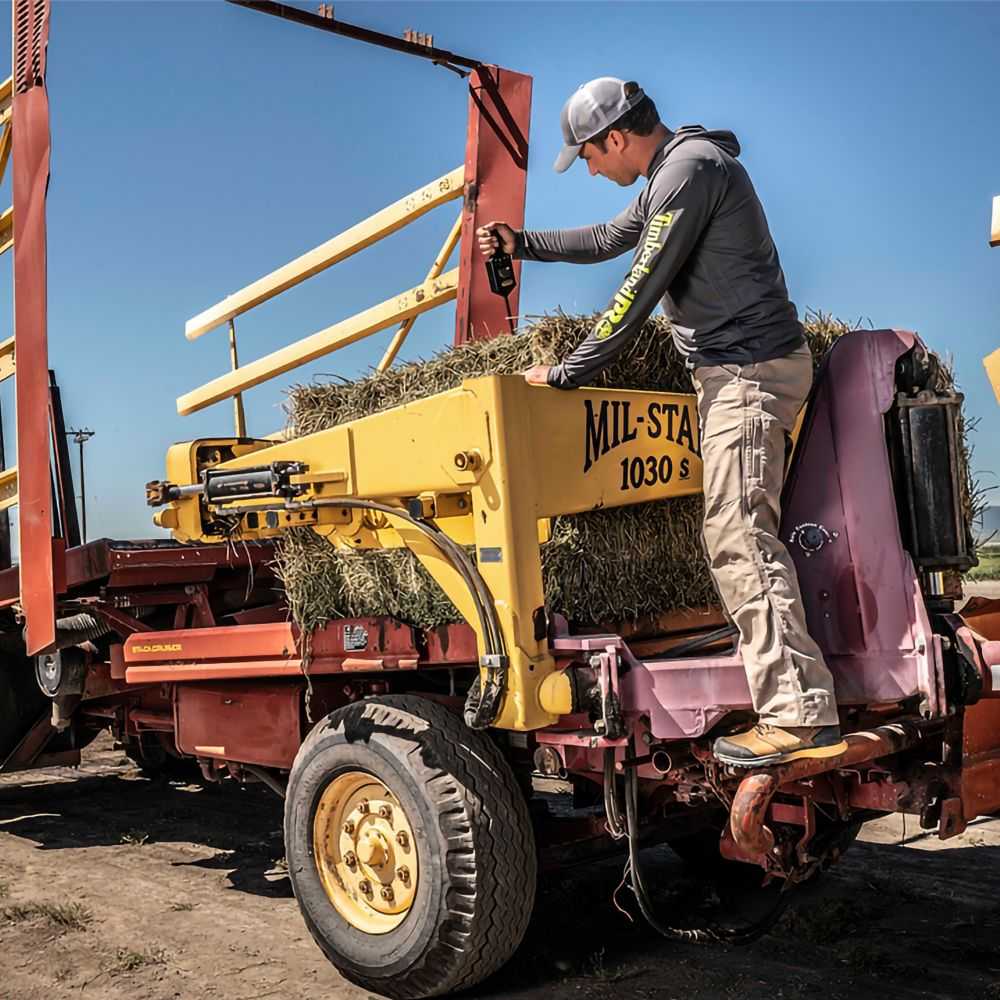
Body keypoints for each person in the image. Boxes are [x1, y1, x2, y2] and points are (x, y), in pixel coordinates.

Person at [477, 77, 847, 767]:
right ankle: (797, 703)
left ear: (616, 137)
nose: (590, 170)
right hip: (738, 371)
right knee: (738, 530)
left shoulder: (689, 170)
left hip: (746, 372)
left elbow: (639, 286)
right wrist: (520, 242)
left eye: (589, 156)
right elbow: (609, 237)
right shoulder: (673, 174)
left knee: (738, 533)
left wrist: (569, 370)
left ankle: (797, 716)